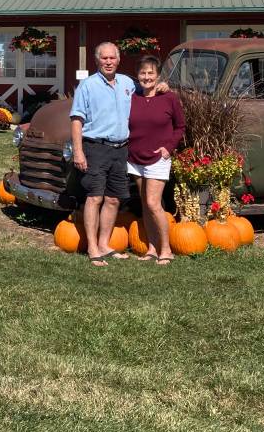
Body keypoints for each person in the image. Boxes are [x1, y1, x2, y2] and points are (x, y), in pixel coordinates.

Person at [70, 42, 135, 266]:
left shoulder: (127, 83)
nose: (108, 62)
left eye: (112, 58)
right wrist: (78, 152)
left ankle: (105, 244)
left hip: (120, 149)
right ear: (97, 61)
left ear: (118, 60)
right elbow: (77, 119)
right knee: (95, 197)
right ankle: (92, 247)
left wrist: (162, 87)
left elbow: (148, 95)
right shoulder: (87, 86)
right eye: (104, 58)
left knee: (113, 199)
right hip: (95, 147)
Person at [127, 55, 185, 266]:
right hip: (134, 157)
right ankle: (152, 247)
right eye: (143, 73)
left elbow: (180, 127)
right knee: (145, 202)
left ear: (158, 75)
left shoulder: (169, 98)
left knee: (153, 202)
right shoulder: (132, 98)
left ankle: (166, 249)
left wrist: (169, 148)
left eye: (151, 73)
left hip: (158, 158)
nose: (147, 77)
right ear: (138, 76)